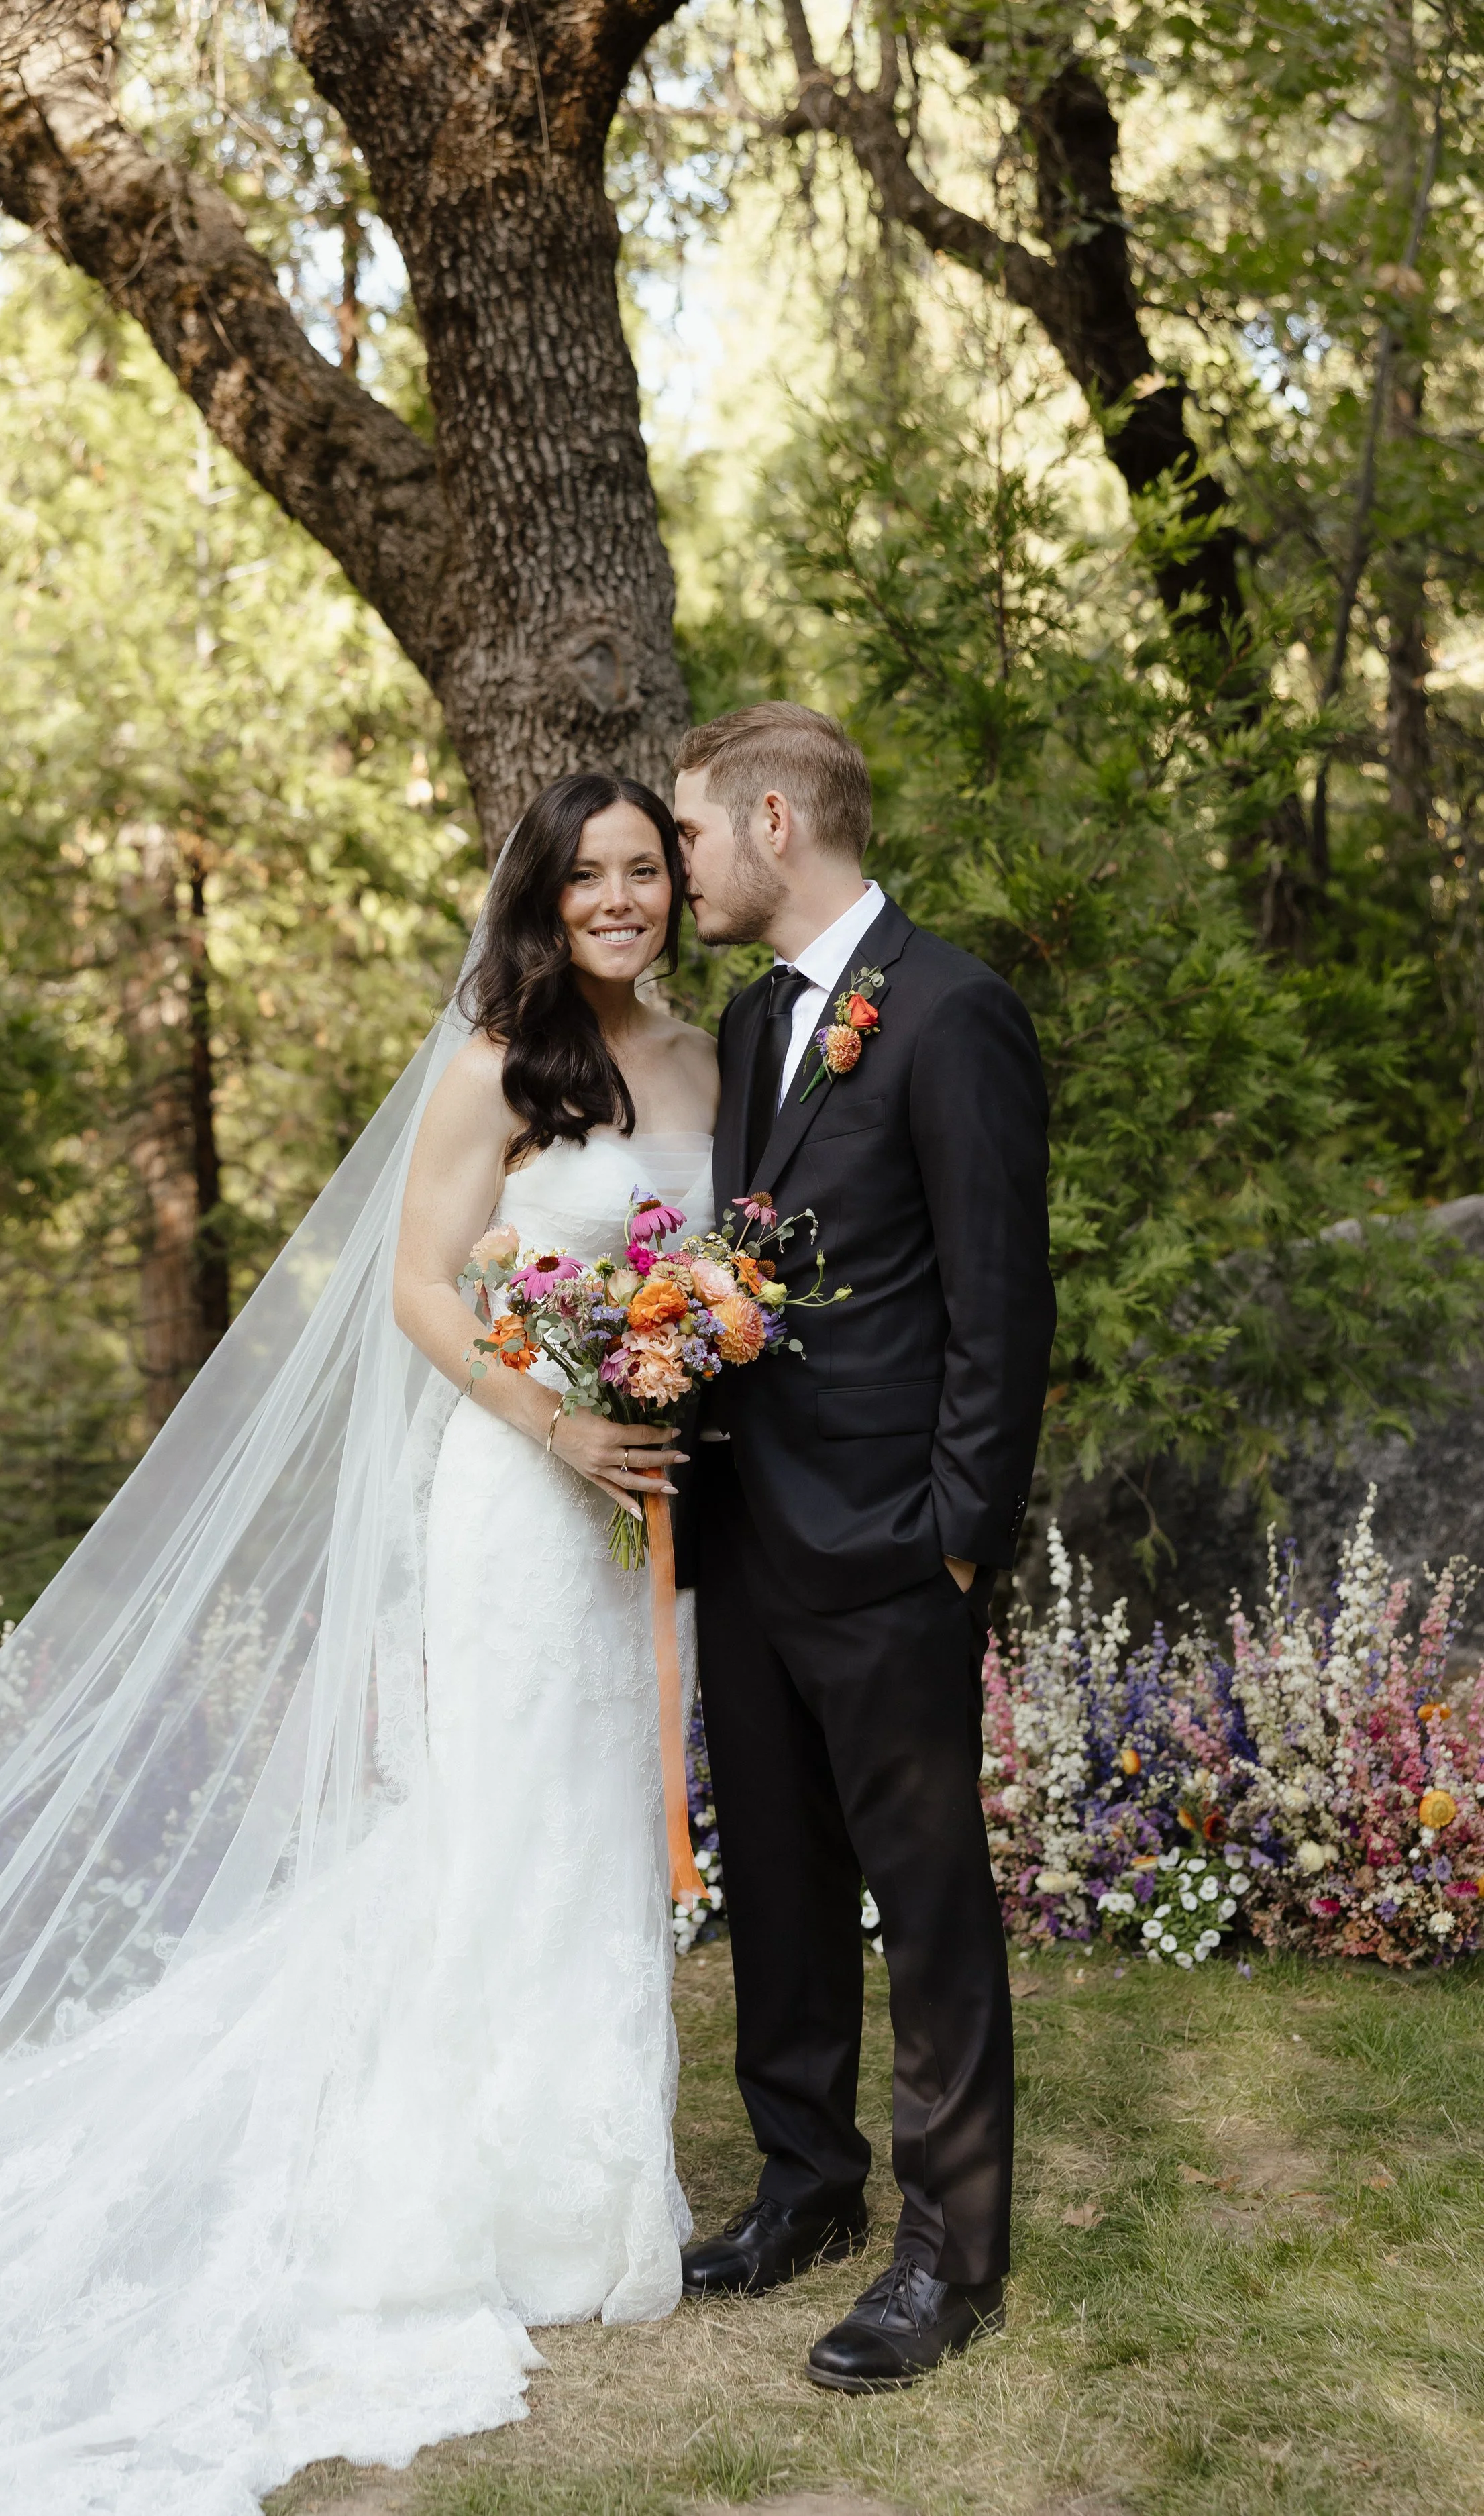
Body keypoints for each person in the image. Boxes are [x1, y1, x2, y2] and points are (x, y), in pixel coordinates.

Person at [0, 772, 714, 2514]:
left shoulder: (700, 1062)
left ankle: (603, 2190)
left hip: (633, 1503)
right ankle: (483, 2192)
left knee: (597, 1822)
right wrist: (561, 1423)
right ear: (541, 894)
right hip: (522, 1492)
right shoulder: (498, 1063)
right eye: (587, 873)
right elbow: (421, 1287)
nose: (619, 898)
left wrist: (675, 1372)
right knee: (501, 1822)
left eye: (642, 871)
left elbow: (702, 1262)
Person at [674, 702, 1055, 2392]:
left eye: (687, 834)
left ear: (771, 821)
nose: (679, 866)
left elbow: (999, 1302)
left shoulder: (953, 1010)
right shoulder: (756, 1022)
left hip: (894, 1549)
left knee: (926, 1899)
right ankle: (804, 2183)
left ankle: (946, 2252)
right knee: (774, 1874)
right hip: (751, 1539)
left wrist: (954, 1543)